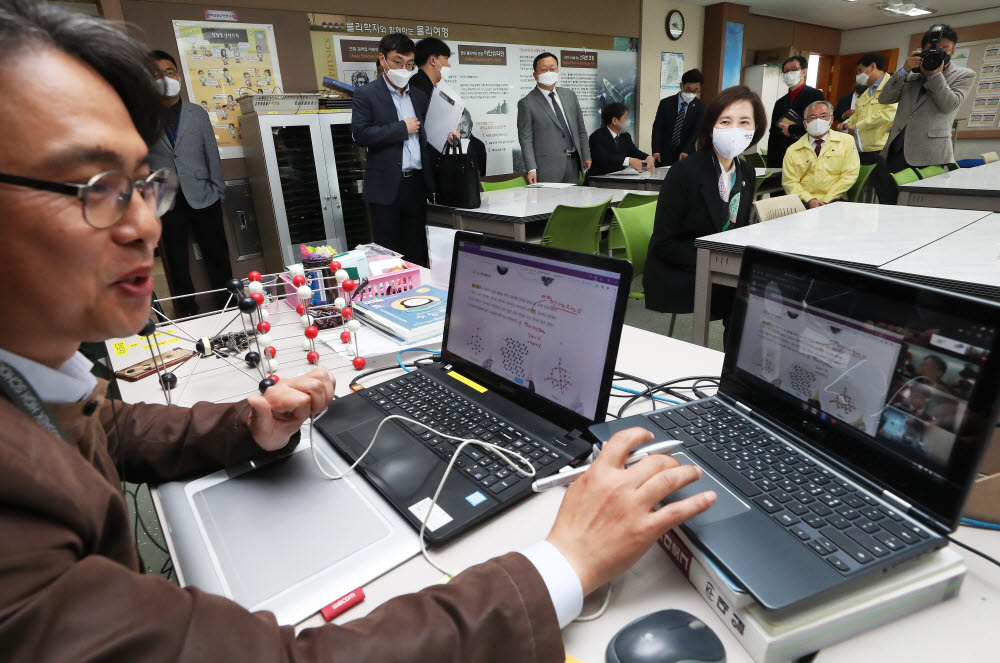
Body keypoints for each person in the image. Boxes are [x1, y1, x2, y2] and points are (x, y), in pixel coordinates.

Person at [0, 3, 716, 660]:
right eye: (93, 185)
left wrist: (249, 427)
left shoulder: (32, 380)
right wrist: (560, 565)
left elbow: (111, 429)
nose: (145, 225)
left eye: (140, 182)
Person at [644, 86, 766, 325]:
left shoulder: (747, 172)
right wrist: (719, 262)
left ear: (755, 129)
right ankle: (731, 359)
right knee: (749, 296)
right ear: (711, 127)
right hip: (683, 268)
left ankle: (738, 359)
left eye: (744, 122)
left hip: (724, 267)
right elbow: (664, 243)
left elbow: (737, 231)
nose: (734, 129)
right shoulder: (685, 171)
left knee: (767, 290)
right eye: (725, 121)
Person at [148, 49, 232, 316]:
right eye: (156, 74)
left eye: (169, 72)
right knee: (177, 262)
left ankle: (228, 305)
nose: (165, 78)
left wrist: (218, 189)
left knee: (217, 256)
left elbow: (212, 154)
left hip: (204, 195)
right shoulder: (143, 117)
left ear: (179, 77)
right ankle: (188, 312)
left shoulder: (197, 114)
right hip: (166, 200)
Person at [351, 33, 436, 266]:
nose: (403, 69)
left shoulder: (418, 96)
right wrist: (401, 128)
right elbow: (361, 135)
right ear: (382, 59)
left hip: (416, 184)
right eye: (398, 62)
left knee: (418, 248)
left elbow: (425, 136)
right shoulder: (366, 94)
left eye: (409, 64)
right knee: (388, 252)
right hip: (386, 186)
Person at [873, 24, 976, 204]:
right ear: (923, 50)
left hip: (929, 156)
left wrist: (934, 76)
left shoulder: (964, 75)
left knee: (918, 209)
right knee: (887, 204)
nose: (939, 53)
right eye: (933, 49)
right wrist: (904, 70)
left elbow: (949, 105)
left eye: (944, 49)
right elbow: (884, 98)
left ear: (953, 51)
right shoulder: (912, 74)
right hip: (895, 150)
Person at [517, 52, 591, 184]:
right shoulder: (527, 103)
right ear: (535, 75)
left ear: (558, 71)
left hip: (574, 164)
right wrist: (531, 168)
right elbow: (525, 139)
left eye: (552, 69)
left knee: (573, 202)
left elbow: (580, 129)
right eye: (544, 70)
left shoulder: (569, 95)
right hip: (546, 168)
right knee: (549, 203)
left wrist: (586, 155)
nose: (549, 73)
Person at [782, 100, 860, 208]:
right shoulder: (793, 150)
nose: (818, 120)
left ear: (831, 120)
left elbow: (850, 174)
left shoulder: (846, 141)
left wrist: (827, 199)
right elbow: (789, 182)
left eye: (823, 116)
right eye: (813, 117)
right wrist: (809, 199)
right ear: (805, 123)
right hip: (804, 202)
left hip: (836, 200)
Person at [766, 56, 825, 168]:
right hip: (782, 155)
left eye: (793, 69)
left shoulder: (815, 95)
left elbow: (818, 125)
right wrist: (771, 163)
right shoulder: (780, 102)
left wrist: (791, 129)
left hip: (805, 154)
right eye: (786, 71)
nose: (789, 73)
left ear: (803, 71)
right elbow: (773, 133)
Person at [839, 53, 896, 164]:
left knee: (876, 180)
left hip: (879, 148)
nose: (858, 75)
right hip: (861, 146)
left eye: (860, 70)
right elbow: (857, 114)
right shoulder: (867, 91)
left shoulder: (892, 87)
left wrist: (857, 126)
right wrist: (846, 122)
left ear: (873, 67)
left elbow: (888, 114)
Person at [650, 68, 705, 166]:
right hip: (663, 154)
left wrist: (686, 151)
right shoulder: (666, 103)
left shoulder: (701, 107)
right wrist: (656, 151)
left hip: (686, 154)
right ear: (681, 86)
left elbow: (695, 132)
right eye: (688, 89)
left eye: (695, 91)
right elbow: (657, 128)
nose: (691, 93)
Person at [587, 102, 654, 177]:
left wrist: (648, 158)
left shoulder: (625, 136)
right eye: (626, 118)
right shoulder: (597, 136)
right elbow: (605, 158)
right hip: (598, 179)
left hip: (619, 179)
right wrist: (629, 161)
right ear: (614, 121)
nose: (628, 121)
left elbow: (634, 152)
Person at [458, 108, 487, 176]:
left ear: (470, 126)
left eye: (464, 124)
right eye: (459, 124)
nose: (461, 128)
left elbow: (482, 173)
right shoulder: (451, 144)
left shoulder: (479, 145)